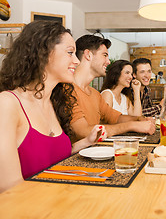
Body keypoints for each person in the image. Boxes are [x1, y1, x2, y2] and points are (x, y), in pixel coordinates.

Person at [0, 21, 107, 193]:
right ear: (44, 53)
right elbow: (9, 188)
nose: (77, 61)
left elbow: (52, 157)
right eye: (70, 53)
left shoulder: (54, 102)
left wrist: (87, 142)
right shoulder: (7, 103)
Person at [71, 35, 155, 143]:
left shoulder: (95, 94)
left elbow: (115, 118)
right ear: (88, 55)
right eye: (104, 55)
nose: (108, 61)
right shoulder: (67, 90)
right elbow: (83, 132)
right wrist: (132, 125)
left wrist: (140, 119)